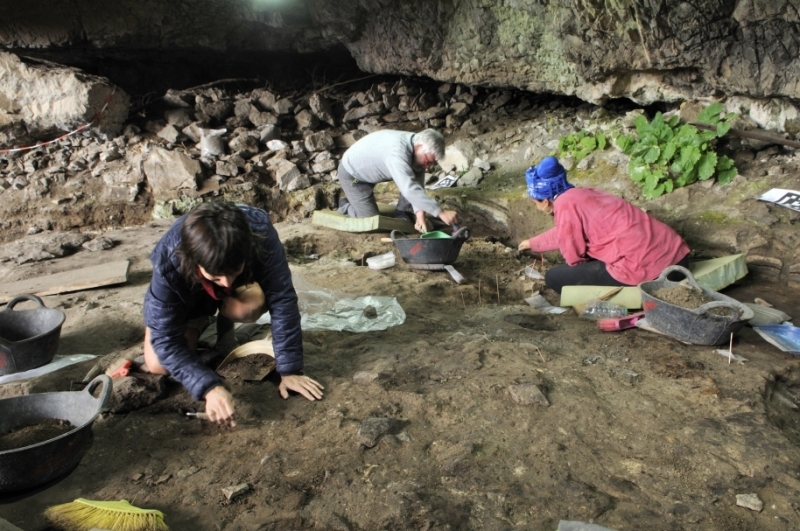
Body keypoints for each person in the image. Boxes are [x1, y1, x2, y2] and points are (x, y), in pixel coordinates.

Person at [143, 201, 323, 426]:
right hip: (190, 301)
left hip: (243, 289)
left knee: (248, 306)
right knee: (158, 364)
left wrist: (289, 369)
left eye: (232, 272)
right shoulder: (169, 260)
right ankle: (200, 320)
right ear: (195, 261)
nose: (226, 283)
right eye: (217, 277)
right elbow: (164, 338)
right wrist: (209, 387)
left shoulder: (260, 235)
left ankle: (224, 316)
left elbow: (282, 299)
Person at [518, 156, 690, 293]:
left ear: (546, 201)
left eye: (535, 203)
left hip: (654, 274)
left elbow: (574, 256)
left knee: (554, 277)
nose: (537, 207)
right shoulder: (583, 194)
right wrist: (532, 243)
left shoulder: (564, 205)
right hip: (679, 260)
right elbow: (566, 231)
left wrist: (580, 266)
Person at [337, 128, 459, 233]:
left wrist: (420, 215)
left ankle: (402, 212)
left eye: (431, 163)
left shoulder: (417, 148)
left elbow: (417, 185)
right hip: (354, 177)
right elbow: (408, 188)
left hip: (370, 172)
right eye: (427, 161)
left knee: (411, 178)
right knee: (370, 221)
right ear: (419, 147)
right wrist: (441, 212)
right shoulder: (397, 151)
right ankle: (345, 205)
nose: (428, 167)